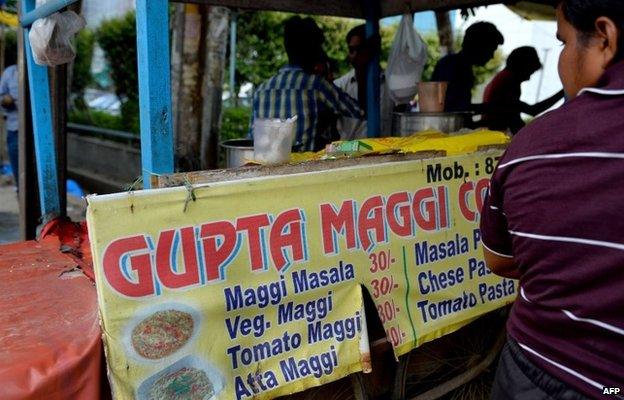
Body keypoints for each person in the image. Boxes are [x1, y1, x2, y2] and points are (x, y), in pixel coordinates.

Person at [480, 0, 624, 398]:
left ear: (605, 40)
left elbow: (498, 259)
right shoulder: (507, 86)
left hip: (535, 370)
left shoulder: (529, 148)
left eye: (562, 43)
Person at [250, 17, 363, 152]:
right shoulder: (317, 86)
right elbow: (359, 111)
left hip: (268, 171)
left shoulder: (261, 90)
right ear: (313, 49)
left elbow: (252, 139)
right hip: (305, 171)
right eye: (319, 47)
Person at [480, 46, 564, 134]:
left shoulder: (503, 77)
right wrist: (564, 91)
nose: (528, 78)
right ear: (522, 66)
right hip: (494, 136)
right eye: (530, 72)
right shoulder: (508, 81)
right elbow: (532, 111)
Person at [334, 24, 393, 139]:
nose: (355, 55)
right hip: (348, 154)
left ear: (373, 51)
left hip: (386, 153)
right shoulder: (339, 86)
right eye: (351, 50)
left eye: (360, 49)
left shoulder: (391, 86)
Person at [431, 22, 504, 112]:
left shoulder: (459, 66)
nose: (492, 56)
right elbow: (451, 108)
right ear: (480, 46)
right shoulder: (453, 67)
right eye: (491, 50)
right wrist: (488, 108)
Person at [1, 46, 18, 188]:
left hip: (35, 131)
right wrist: (6, 100)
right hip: (15, 129)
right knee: (19, 172)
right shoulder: (10, 73)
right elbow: (1, 98)